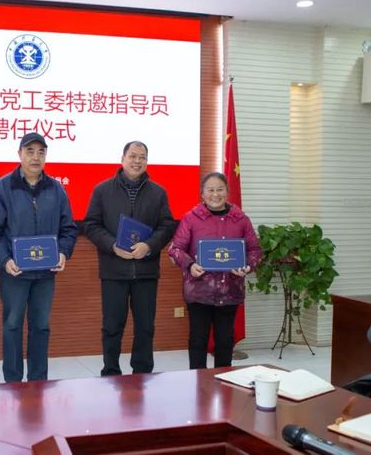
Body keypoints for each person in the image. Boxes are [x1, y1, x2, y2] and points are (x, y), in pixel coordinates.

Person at [0, 132, 78, 383]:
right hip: (14, 272)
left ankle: (38, 381)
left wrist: (63, 252)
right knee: (12, 325)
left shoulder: (56, 189)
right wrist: (4, 260)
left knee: (41, 327)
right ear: (20, 154)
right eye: (30, 151)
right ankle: (13, 382)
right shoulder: (3, 187)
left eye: (41, 152)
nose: (36, 157)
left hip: (45, 274)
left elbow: (68, 228)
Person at [83, 140, 176, 376]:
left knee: (145, 327)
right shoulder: (102, 190)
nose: (137, 161)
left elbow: (167, 226)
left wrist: (149, 246)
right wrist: (112, 246)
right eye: (133, 156)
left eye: (142, 157)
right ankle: (111, 371)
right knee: (112, 326)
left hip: (146, 271)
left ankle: (142, 374)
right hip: (113, 270)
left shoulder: (158, 192)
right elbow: (91, 225)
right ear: (122, 159)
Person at [168, 171, 262, 369]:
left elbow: (255, 250)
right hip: (199, 292)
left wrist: (247, 265)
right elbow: (175, 249)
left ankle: (223, 382)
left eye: (220, 189)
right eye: (210, 190)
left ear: (227, 192)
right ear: (202, 193)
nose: (215, 194)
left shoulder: (241, 219)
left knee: (225, 342)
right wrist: (190, 265)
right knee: (198, 341)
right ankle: (197, 382)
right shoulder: (191, 218)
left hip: (230, 292)